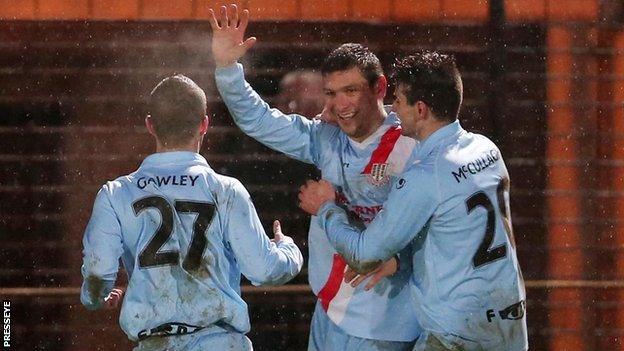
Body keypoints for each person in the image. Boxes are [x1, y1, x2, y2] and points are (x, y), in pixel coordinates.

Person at [209, 4, 421, 351]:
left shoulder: (412, 145)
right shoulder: (327, 137)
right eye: (331, 93)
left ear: (379, 87)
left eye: (351, 91)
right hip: (329, 312)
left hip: (385, 323)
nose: (341, 105)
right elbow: (258, 121)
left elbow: (442, 220)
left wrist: (403, 258)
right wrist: (227, 67)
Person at [299, 52, 528, 350]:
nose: (394, 111)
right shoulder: (486, 150)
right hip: (509, 321)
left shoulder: (425, 175)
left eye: (399, 101)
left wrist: (327, 208)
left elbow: (364, 254)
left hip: (457, 332)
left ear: (420, 109)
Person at [80, 74, 303, 351]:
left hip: (154, 343)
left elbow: (98, 274)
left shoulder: (116, 194)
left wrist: (96, 297)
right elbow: (265, 270)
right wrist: (289, 249)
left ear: (150, 125)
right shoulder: (226, 190)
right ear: (204, 125)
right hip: (220, 343)